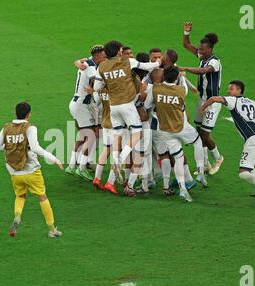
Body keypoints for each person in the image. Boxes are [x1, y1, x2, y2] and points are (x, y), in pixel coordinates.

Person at [93, 40, 161, 192]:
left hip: (113, 107)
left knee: (117, 136)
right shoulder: (127, 61)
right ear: (118, 51)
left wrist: (109, 83)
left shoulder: (101, 67)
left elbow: (97, 87)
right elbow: (146, 66)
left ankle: (115, 162)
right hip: (127, 106)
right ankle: (119, 161)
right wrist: (158, 63)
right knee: (136, 134)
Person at [0, 102, 64, 237]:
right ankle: (52, 229)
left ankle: (17, 216)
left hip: (14, 172)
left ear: (15, 113)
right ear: (28, 114)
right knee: (42, 197)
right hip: (31, 171)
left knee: (20, 196)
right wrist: (54, 159)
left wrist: (10, 145)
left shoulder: (6, 127)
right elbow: (35, 148)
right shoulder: (30, 128)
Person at [145, 67, 207, 202]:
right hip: (181, 127)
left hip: (165, 130)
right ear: (176, 78)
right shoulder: (181, 90)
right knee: (197, 142)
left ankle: (183, 189)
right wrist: (182, 76)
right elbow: (183, 82)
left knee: (178, 158)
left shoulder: (155, 89)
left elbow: (147, 104)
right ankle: (200, 172)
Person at [181, 21, 224, 175]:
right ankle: (205, 164)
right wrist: (186, 32)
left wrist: (185, 68)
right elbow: (186, 45)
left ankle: (218, 158)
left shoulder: (214, 61)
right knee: (199, 131)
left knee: (205, 134)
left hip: (213, 102)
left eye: (203, 49)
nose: (200, 51)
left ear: (210, 49)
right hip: (202, 99)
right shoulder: (202, 55)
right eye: (200, 49)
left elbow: (203, 71)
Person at [67, 45, 106, 180]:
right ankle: (81, 168)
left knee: (85, 135)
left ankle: (72, 165)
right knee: (91, 135)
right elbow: (100, 79)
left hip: (80, 104)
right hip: (81, 105)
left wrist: (78, 61)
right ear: (97, 56)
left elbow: (82, 62)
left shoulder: (89, 62)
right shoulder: (89, 67)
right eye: (103, 56)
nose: (105, 58)